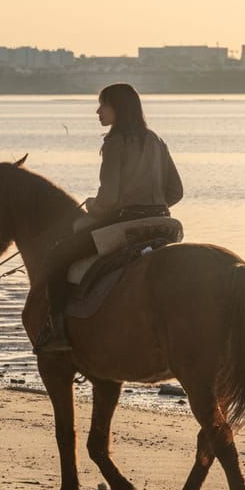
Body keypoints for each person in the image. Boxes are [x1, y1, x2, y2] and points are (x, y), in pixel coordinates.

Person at [35, 83, 183, 353]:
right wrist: (154, 206)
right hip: (163, 221)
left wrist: (93, 206)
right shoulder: (156, 141)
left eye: (104, 105)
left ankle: (56, 331)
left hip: (126, 223)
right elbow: (176, 191)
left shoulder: (115, 142)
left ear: (119, 108)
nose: (98, 111)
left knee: (58, 255)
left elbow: (110, 200)